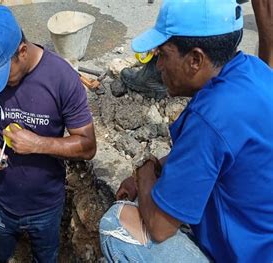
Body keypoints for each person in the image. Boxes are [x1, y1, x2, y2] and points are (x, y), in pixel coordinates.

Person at [99, 0, 273, 262]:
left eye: (163, 55)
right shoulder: (255, 71)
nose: (158, 66)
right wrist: (159, 165)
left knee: (116, 225)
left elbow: (160, 226)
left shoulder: (211, 119)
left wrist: (145, 171)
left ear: (195, 59)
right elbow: (219, 153)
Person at [0, 6, 96, 262]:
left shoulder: (61, 78)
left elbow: (88, 146)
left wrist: (38, 144)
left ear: (22, 52)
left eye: (3, 75)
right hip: (2, 200)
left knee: (45, 257)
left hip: (46, 206)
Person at [122, 0, 272, 100]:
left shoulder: (204, 124)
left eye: (163, 56)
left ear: (195, 60)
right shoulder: (252, 68)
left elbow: (266, 7)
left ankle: (168, 69)